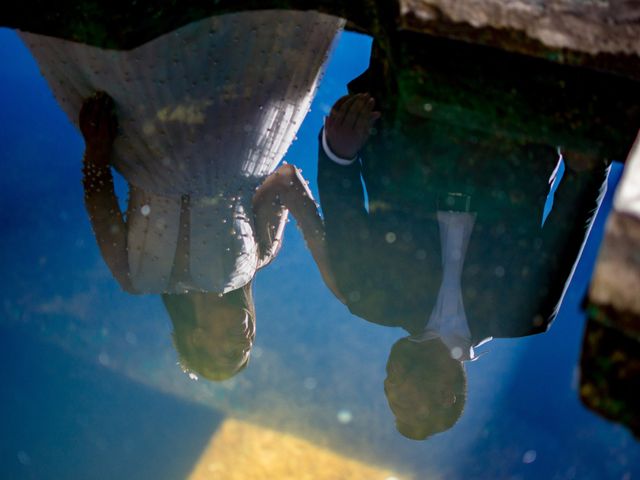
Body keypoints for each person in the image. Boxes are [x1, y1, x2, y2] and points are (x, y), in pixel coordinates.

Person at [315, 35, 613, 438]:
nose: (390, 385)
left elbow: (340, 202)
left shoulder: (367, 298)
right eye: (401, 399)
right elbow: (571, 224)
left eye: (388, 393)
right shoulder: (524, 315)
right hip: (514, 118)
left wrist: (337, 151)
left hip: (416, 109)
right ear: (446, 397)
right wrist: (585, 169)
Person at [23, 10, 345, 380]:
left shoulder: (135, 278)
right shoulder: (259, 257)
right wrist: (330, 266)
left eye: (227, 353)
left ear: (195, 339)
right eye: (247, 349)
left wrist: (96, 149)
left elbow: (99, 203)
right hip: (236, 127)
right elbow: (286, 179)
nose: (244, 341)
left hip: (152, 138)